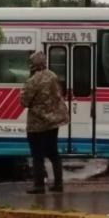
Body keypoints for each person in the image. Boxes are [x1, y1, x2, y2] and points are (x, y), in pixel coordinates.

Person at [21, 51, 69, 194]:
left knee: (37, 156)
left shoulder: (33, 80)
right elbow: (59, 95)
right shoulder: (53, 76)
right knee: (54, 153)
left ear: (33, 64)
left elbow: (24, 102)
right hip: (52, 123)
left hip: (37, 124)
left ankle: (39, 186)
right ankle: (58, 184)